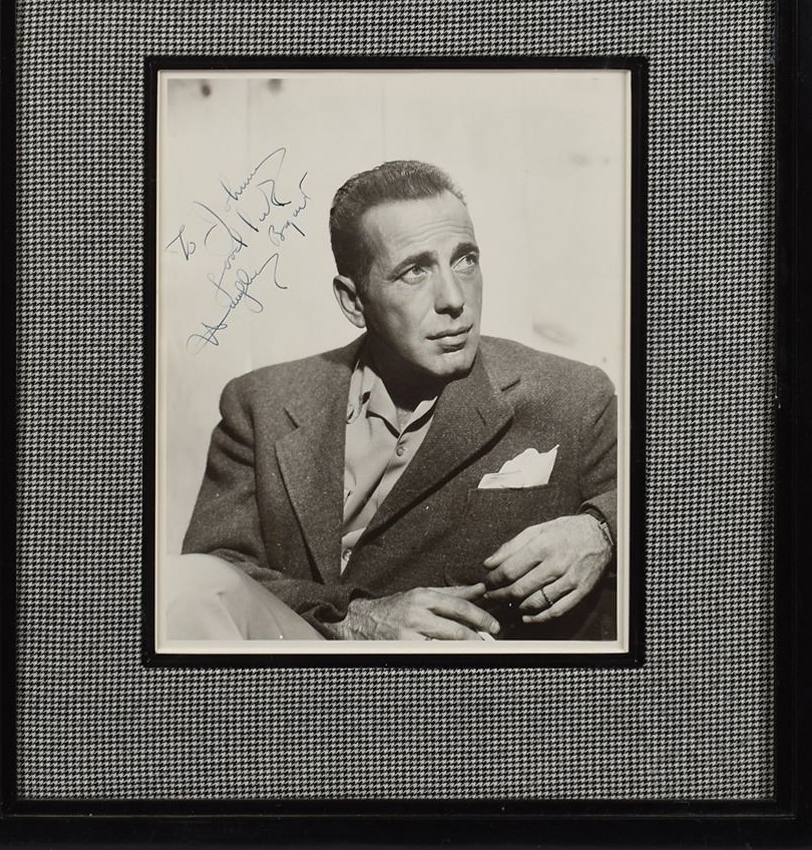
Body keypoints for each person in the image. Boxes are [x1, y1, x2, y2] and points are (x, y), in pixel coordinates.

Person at [166, 159, 617, 642]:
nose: (454, 298)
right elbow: (218, 574)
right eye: (415, 271)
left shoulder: (572, 395)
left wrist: (601, 531)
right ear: (353, 301)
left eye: (465, 260)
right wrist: (352, 619)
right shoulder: (262, 404)